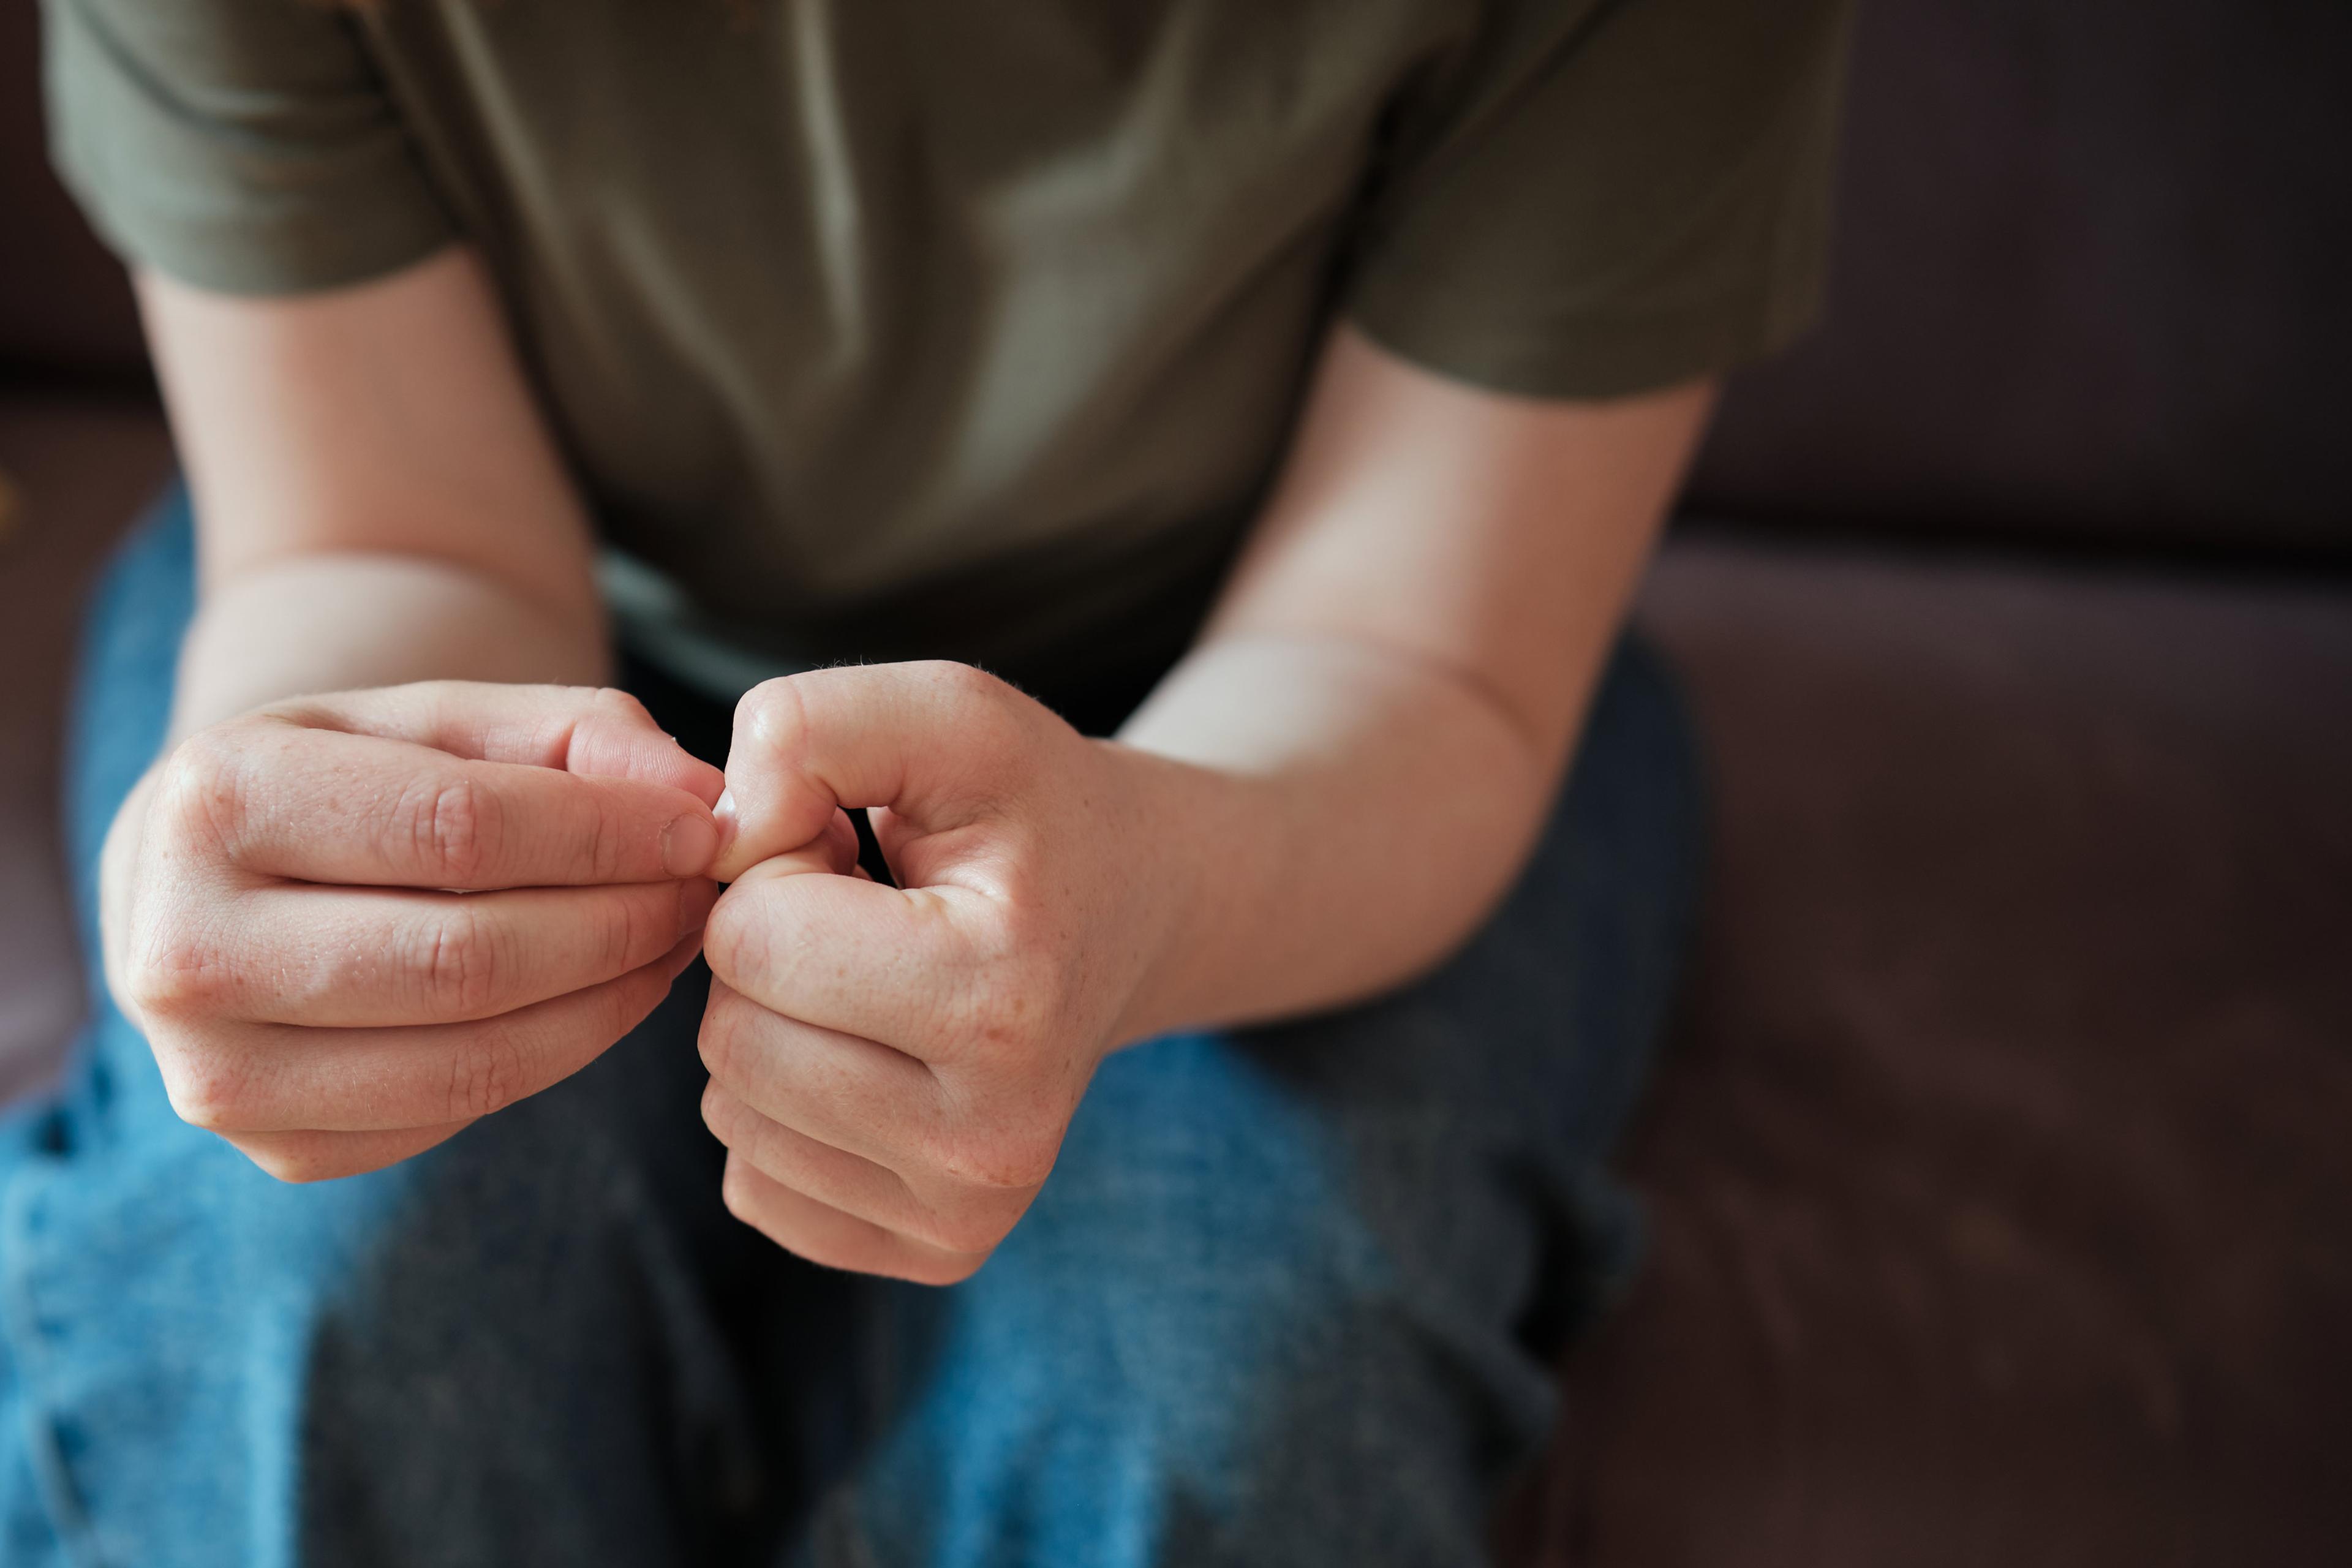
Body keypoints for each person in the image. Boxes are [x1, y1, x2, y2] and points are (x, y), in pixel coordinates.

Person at [4, 0, 1852, 1561]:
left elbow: (1415, 657)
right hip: (459, 574)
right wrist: (318, 843)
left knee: (1222, 1370)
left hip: (1362, 678)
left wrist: (1158, 896)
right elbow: (386, 524)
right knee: (298, 1292)